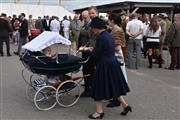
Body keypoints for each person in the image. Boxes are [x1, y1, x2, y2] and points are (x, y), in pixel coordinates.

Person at [79, 17, 131, 119]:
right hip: (112, 63)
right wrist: (90, 49)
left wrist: (85, 49)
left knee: (97, 88)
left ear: (96, 28)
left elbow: (95, 55)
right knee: (114, 86)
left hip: (104, 65)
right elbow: (102, 49)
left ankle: (99, 112)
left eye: (92, 28)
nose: (92, 30)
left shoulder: (101, 37)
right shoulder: (108, 35)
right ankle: (125, 106)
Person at [106, 13, 127, 107]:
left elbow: (117, 47)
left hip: (116, 55)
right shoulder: (115, 29)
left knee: (116, 78)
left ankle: (117, 100)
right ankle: (116, 98)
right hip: (115, 55)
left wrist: (106, 47)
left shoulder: (116, 30)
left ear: (112, 21)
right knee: (115, 78)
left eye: (109, 20)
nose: (108, 21)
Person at [77, 10, 94, 97]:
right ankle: (88, 85)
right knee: (86, 69)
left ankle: (88, 89)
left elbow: (91, 39)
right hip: (84, 50)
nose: (83, 19)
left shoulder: (91, 25)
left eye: (85, 17)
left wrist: (84, 47)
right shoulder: (85, 24)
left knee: (88, 70)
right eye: (82, 17)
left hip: (88, 50)